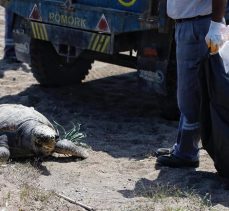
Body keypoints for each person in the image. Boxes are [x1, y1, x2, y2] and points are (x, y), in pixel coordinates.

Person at [156, 0, 228, 168]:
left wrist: (216, 24)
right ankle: (183, 147)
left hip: (198, 25)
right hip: (190, 25)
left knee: (190, 96)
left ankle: (186, 152)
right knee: (190, 92)